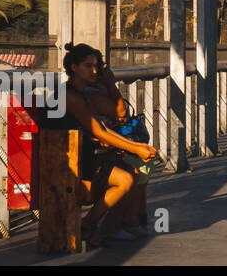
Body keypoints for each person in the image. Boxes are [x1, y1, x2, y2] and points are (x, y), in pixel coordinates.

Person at [62, 44, 160, 246]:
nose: (95, 71)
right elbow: (100, 131)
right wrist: (135, 148)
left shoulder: (79, 94)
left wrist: (136, 148)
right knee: (125, 179)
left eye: (96, 66)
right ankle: (90, 226)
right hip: (67, 161)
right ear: (74, 67)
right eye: (88, 66)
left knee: (130, 174)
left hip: (80, 154)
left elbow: (101, 131)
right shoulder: (70, 96)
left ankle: (92, 226)